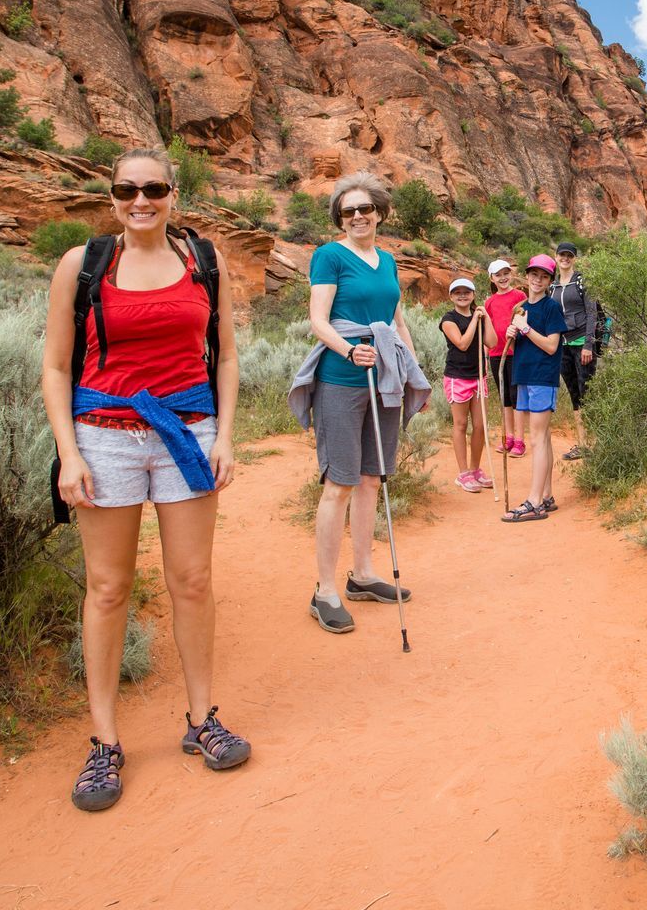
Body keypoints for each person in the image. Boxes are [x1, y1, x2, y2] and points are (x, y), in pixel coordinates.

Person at [41, 146, 248, 813]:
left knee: (193, 580)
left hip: (187, 436)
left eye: (153, 188)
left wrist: (227, 435)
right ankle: (104, 742)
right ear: (111, 197)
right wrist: (70, 455)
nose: (140, 200)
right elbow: (55, 367)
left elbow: (227, 358)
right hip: (105, 436)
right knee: (108, 588)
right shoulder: (83, 265)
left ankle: (201, 721)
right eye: (127, 189)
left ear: (172, 193)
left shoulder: (204, 263)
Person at [294, 171, 431, 635]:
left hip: (385, 380)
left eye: (365, 209)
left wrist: (415, 374)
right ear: (340, 216)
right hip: (341, 379)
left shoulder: (388, 260)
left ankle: (363, 575)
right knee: (341, 482)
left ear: (379, 213)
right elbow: (318, 319)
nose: (357, 216)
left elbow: (396, 320)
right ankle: (325, 591)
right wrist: (350, 349)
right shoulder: (329, 256)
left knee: (373, 478)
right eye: (348, 210)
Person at [500, 254, 566, 522]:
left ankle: (535, 501)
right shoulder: (521, 308)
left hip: (542, 376)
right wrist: (512, 335)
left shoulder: (551, 308)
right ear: (526, 276)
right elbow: (520, 345)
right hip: (524, 374)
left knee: (537, 439)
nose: (537, 280)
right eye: (533, 274)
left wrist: (525, 329)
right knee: (544, 436)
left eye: (544, 276)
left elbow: (551, 346)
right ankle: (546, 495)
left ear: (550, 280)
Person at [549, 240, 604, 460]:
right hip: (562, 345)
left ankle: (595, 442)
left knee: (587, 393)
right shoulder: (552, 286)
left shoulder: (582, 281)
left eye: (569, 255)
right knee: (575, 395)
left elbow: (591, 313)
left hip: (582, 345)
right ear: (556, 257)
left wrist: (589, 345)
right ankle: (583, 445)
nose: (565, 258)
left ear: (574, 259)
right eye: (562, 255)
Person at [439, 276, 492, 493]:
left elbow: (493, 342)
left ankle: (476, 469)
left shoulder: (480, 317)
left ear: (473, 295)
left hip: (478, 376)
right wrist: (474, 320)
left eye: (467, 292)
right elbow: (462, 344)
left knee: (480, 426)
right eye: (458, 292)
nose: (462, 295)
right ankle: (463, 473)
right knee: (461, 425)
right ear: (451, 296)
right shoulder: (448, 319)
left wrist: (485, 317)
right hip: (457, 377)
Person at [481, 258, 525, 457]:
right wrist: (484, 355)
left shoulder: (520, 296)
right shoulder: (489, 302)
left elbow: (525, 320)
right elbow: (486, 331)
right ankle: (508, 437)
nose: (503, 278)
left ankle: (519, 440)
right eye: (498, 275)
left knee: (517, 397)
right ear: (491, 278)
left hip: (516, 352)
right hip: (496, 353)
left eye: (506, 273)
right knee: (504, 398)